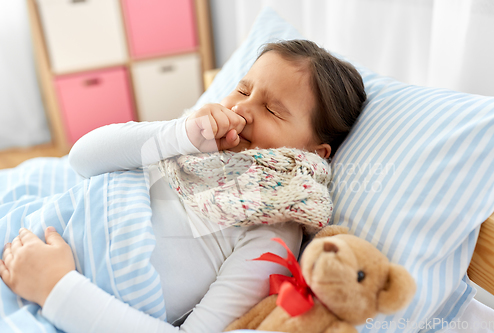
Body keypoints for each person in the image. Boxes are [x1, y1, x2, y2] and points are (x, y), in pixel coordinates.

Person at [0, 40, 366, 332]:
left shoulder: (273, 228)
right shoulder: (189, 147)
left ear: (315, 152)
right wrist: (180, 134)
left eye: (272, 110)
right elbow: (82, 160)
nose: (242, 110)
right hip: (27, 231)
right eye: (242, 90)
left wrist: (56, 287)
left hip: (53, 295)